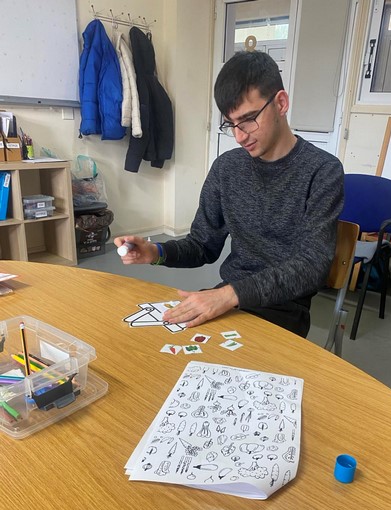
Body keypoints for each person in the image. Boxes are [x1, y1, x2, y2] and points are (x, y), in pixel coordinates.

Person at [114, 51, 344, 337]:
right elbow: (202, 245)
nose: (239, 136)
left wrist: (229, 295)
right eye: (230, 124)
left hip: (284, 310)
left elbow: (313, 266)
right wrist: (156, 252)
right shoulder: (227, 167)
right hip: (229, 300)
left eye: (248, 120)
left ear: (281, 103)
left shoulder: (322, 170)